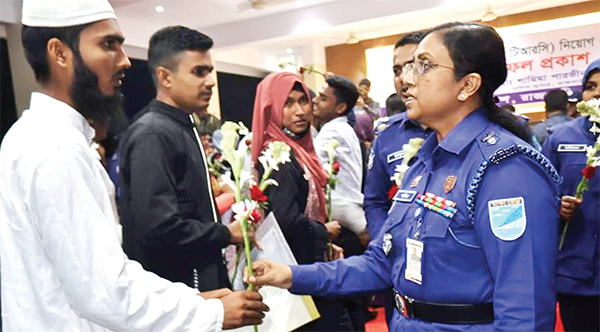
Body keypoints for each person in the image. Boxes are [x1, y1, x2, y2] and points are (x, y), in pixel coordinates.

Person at [249, 22, 561, 331]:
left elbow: (525, 308)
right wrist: (291, 275)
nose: (406, 81)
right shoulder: (424, 163)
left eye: (424, 66)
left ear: (467, 85)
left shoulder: (505, 168)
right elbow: (382, 262)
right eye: (408, 68)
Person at [0, 1, 268, 330]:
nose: (125, 60)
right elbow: (104, 292)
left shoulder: (51, 138)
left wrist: (191, 301)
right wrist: (210, 315)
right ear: (59, 53)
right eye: (108, 44)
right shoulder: (52, 147)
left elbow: (112, 266)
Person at [119, 26, 248, 292]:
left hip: (197, 285)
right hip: (176, 292)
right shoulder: (153, 133)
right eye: (198, 72)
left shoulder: (180, 125)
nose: (211, 81)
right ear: (165, 77)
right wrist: (226, 234)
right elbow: (158, 228)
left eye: (210, 70)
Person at [250, 72, 353, 331]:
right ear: (270, 108)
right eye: (287, 103)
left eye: (303, 101)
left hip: (304, 268)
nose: (300, 111)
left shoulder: (296, 150)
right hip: (294, 270)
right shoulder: (279, 156)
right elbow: (284, 219)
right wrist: (324, 231)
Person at [542, 58, 600, 332]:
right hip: (574, 273)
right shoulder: (559, 138)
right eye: (591, 86)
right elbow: (540, 196)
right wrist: (558, 207)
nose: (597, 92)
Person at [364, 31, 430, 238]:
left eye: (412, 66)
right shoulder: (387, 134)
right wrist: (385, 244)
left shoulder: (459, 129)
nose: (402, 78)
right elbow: (375, 201)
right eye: (396, 70)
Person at [312, 76, 368, 244]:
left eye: (323, 98)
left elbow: (310, 169)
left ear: (340, 107)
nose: (314, 101)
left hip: (343, 217)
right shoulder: (343, 127)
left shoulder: (333, 131)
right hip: (350, 212)